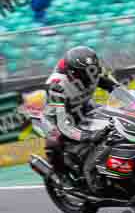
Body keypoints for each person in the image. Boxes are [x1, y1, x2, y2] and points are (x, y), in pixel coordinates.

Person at [43, 46, 119, 193]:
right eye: (83, 74)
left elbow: (117, 88)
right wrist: (87, 136)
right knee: (54, 139)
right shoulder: (57, 86)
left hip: (83, 106)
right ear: (72, 73)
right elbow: (63, 125)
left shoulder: (93, 71)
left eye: (92, 71)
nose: (90, 76)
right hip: (59, 117)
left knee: (113, 120)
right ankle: (62, 176)